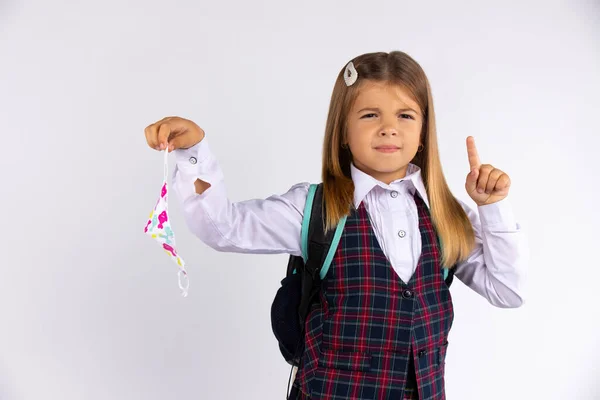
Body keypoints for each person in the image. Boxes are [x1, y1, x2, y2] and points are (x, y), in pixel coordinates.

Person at [143, 50, 526, 400]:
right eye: (370, 114)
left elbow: (508, 291)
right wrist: (192, 154)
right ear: (343, 131)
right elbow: (224, 228)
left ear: (424, 132)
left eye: (405, 116)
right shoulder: (312, 209)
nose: (388, 128)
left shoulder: (445, 215)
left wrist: (492, 209)